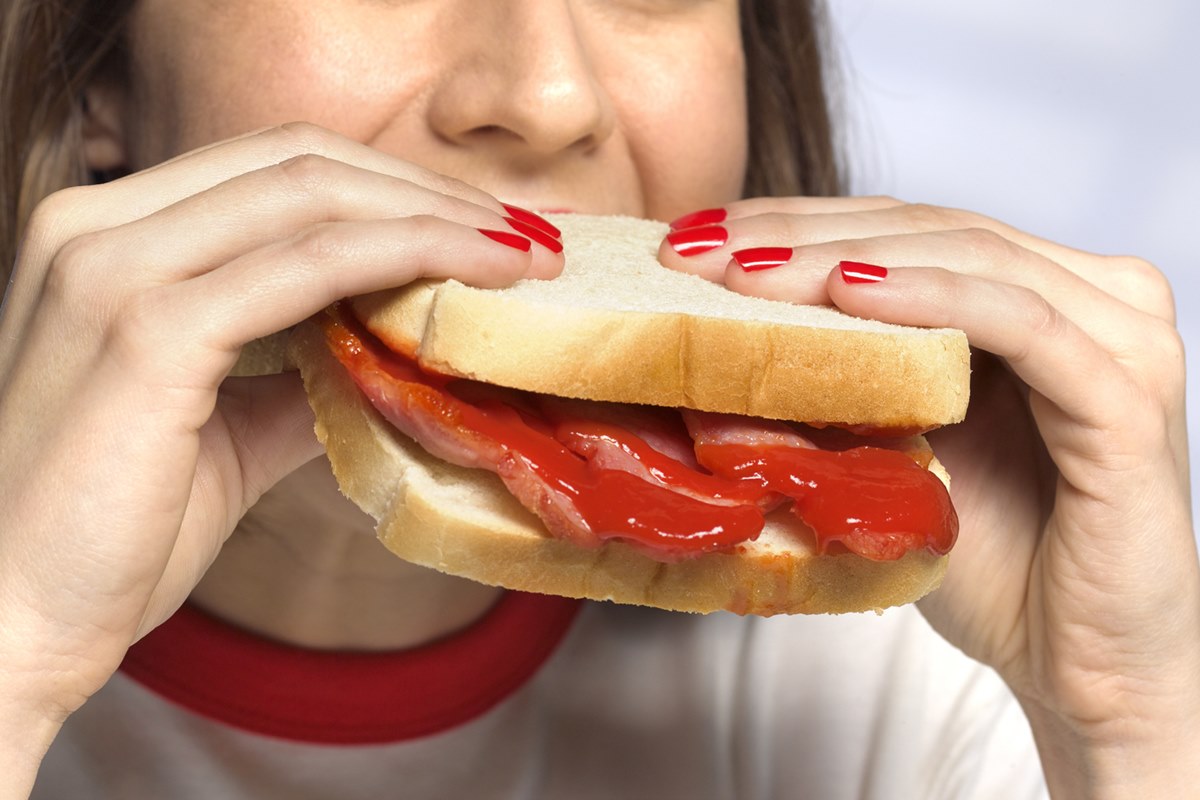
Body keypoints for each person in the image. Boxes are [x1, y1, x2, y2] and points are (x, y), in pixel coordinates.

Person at [1, 0, 1196, 797]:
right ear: (101, 71)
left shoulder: (926, 689)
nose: (549, 93)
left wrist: (1128, 724)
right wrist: (18, 645)